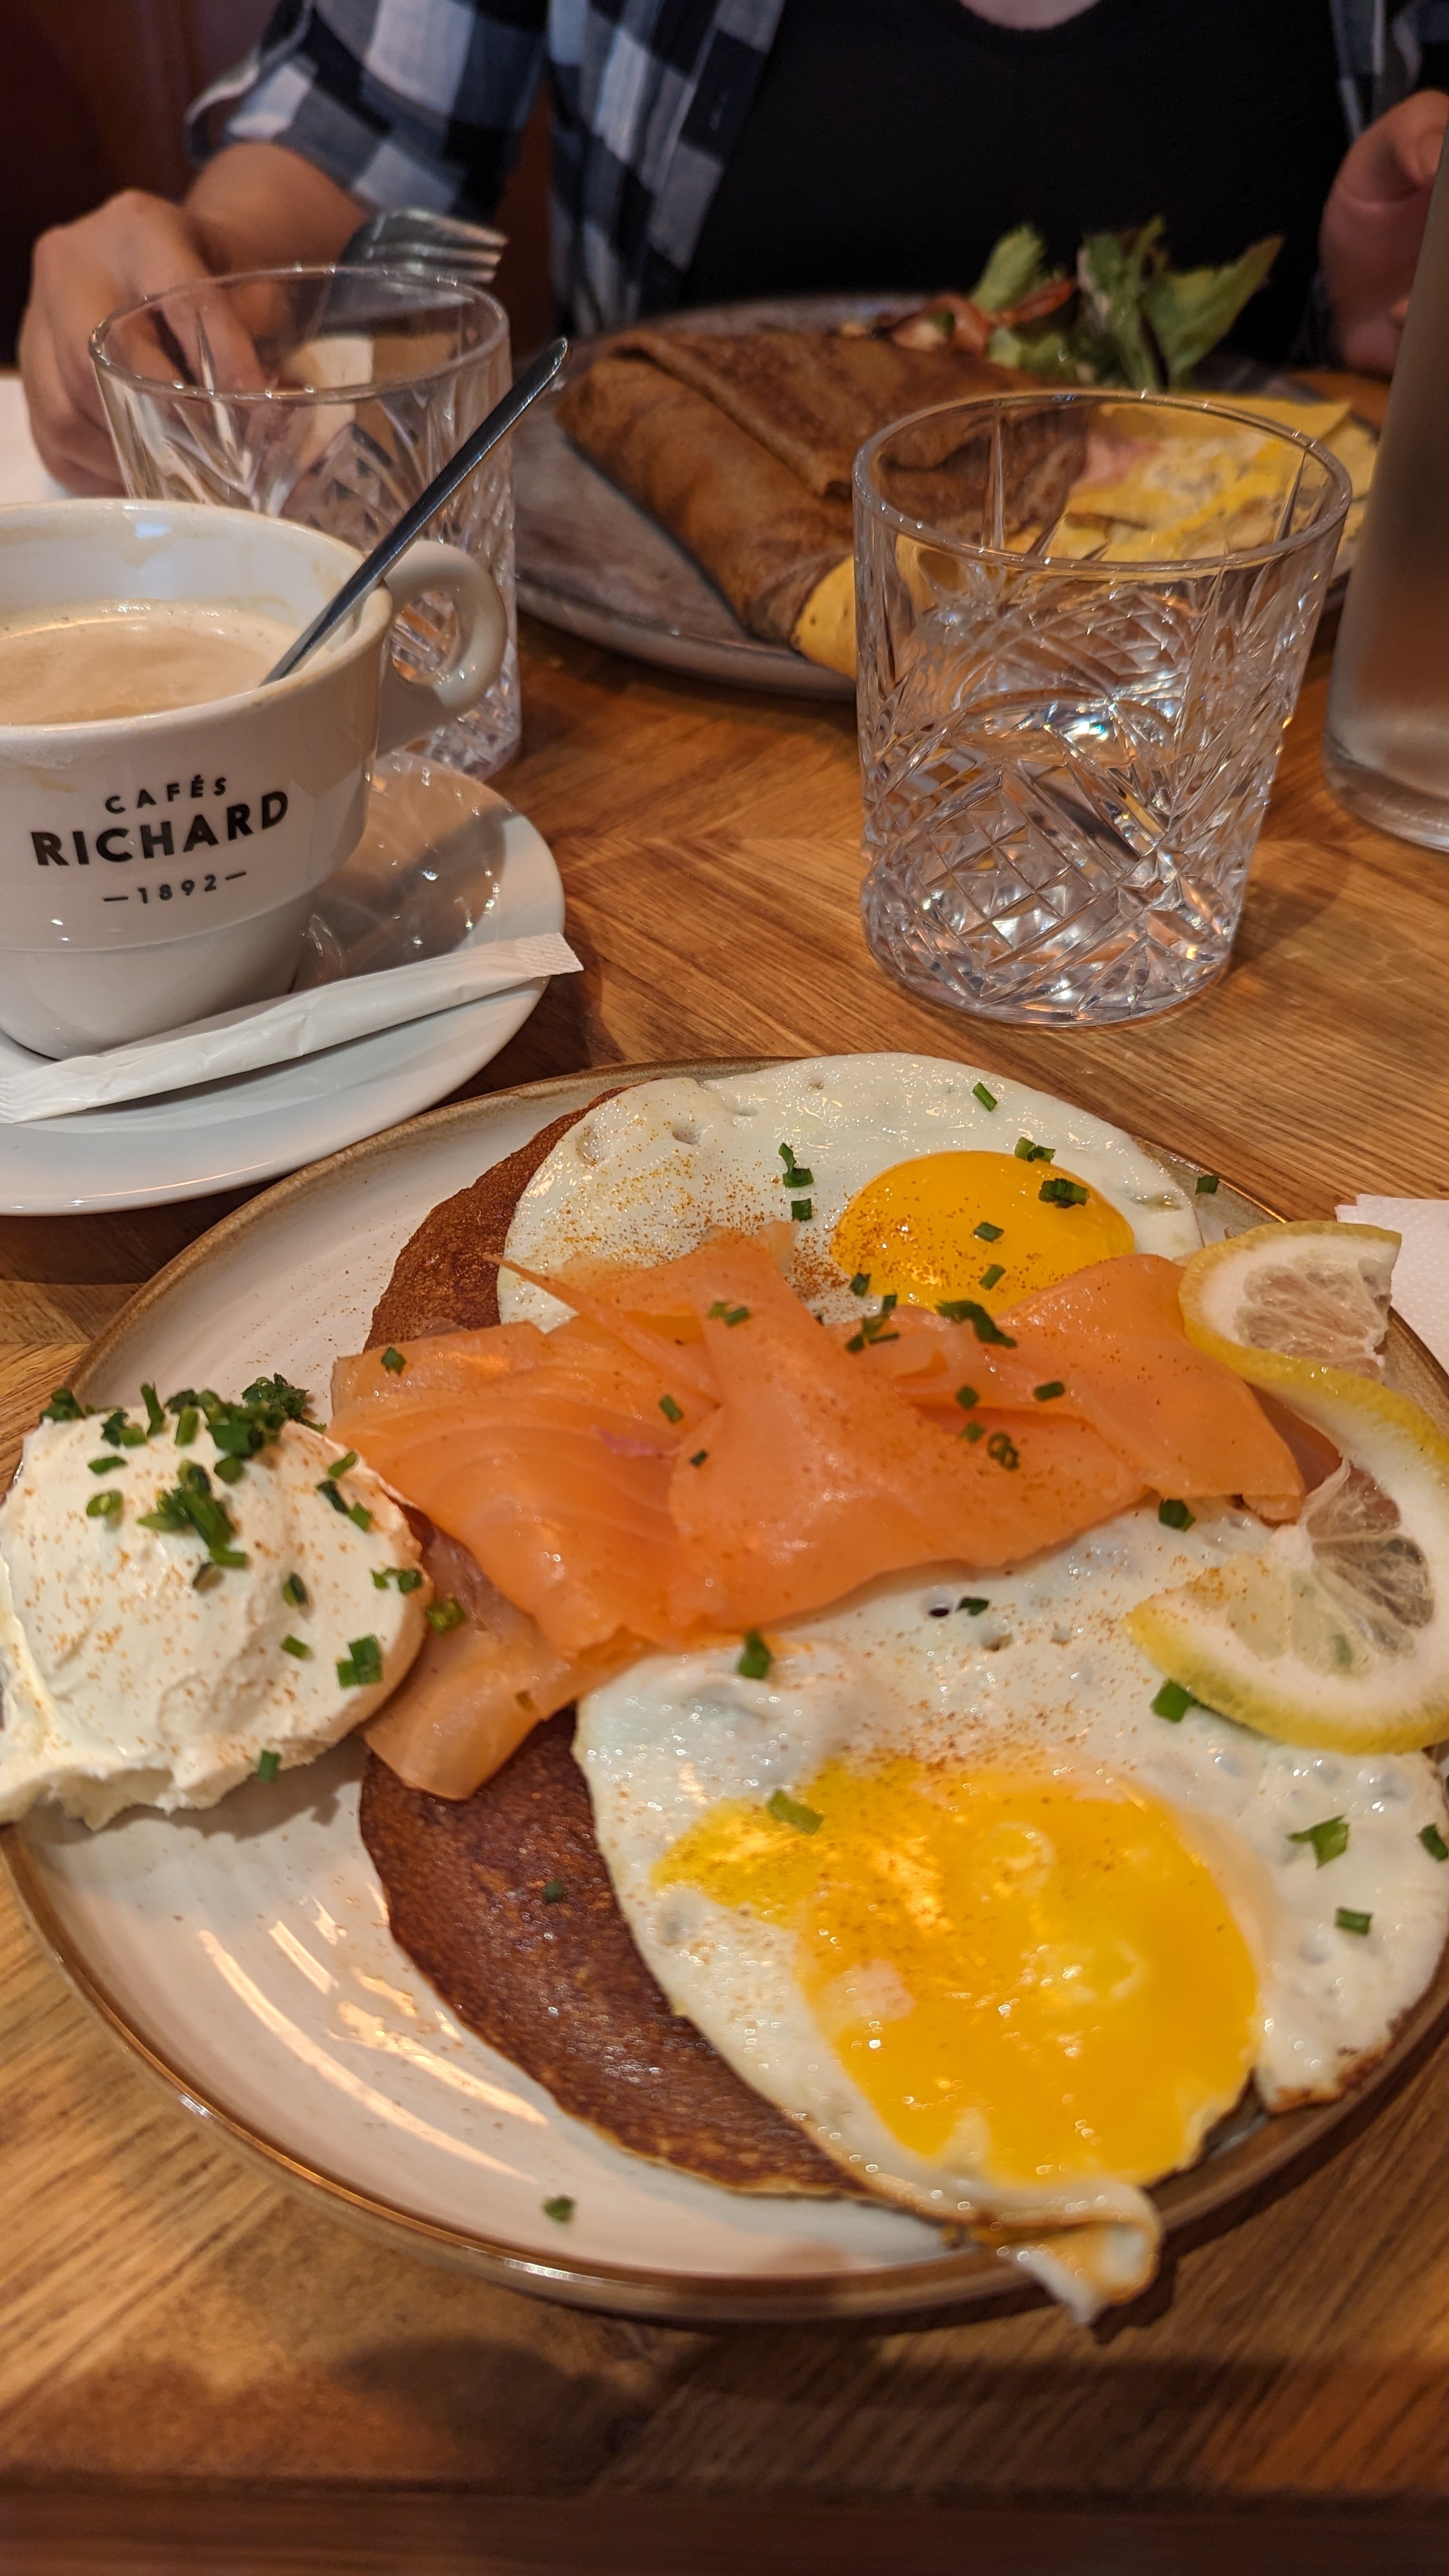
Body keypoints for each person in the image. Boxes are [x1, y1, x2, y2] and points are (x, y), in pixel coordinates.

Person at [20, 0, 1449, 494]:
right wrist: (207, 266)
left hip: (1247, 723)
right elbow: (360, 134)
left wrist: (1404, 322)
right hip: (647, 689)